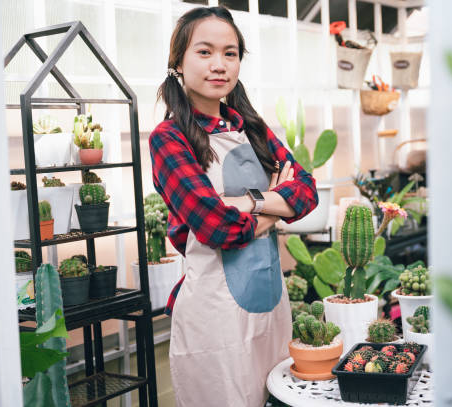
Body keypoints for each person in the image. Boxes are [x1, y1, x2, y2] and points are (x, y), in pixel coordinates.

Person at [148, 6, 318, 407]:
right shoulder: (169, 138)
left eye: (231, 53)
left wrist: (245, 203)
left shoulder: (251, 127)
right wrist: (276, 206)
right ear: (178, 62)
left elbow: (307, 190)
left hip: (272, 307)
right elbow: (217, 227)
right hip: (214, 318)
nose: (219, 65)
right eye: (204, 52)